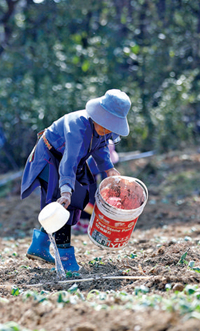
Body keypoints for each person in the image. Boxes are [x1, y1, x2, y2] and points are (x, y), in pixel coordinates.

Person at [21, 89, 131, 271]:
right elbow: (68, 161)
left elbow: (101, 147)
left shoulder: (102, 131)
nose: (107, 129)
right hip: (51, 158)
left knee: (79, 197)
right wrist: (65, 190)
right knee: (63, 203)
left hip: (71, 162)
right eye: (105, 124)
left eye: (111, 126)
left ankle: (39, 245)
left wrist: (109, 169)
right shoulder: (77, 126)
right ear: (98, 114)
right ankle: (65, 259)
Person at [73, 139, 120, 233]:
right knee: (88, 202)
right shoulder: (91, 162)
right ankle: (82, 224)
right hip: (89, 185)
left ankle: (87, 223)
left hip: (97, 185)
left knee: (94, 202)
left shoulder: (104, 167)